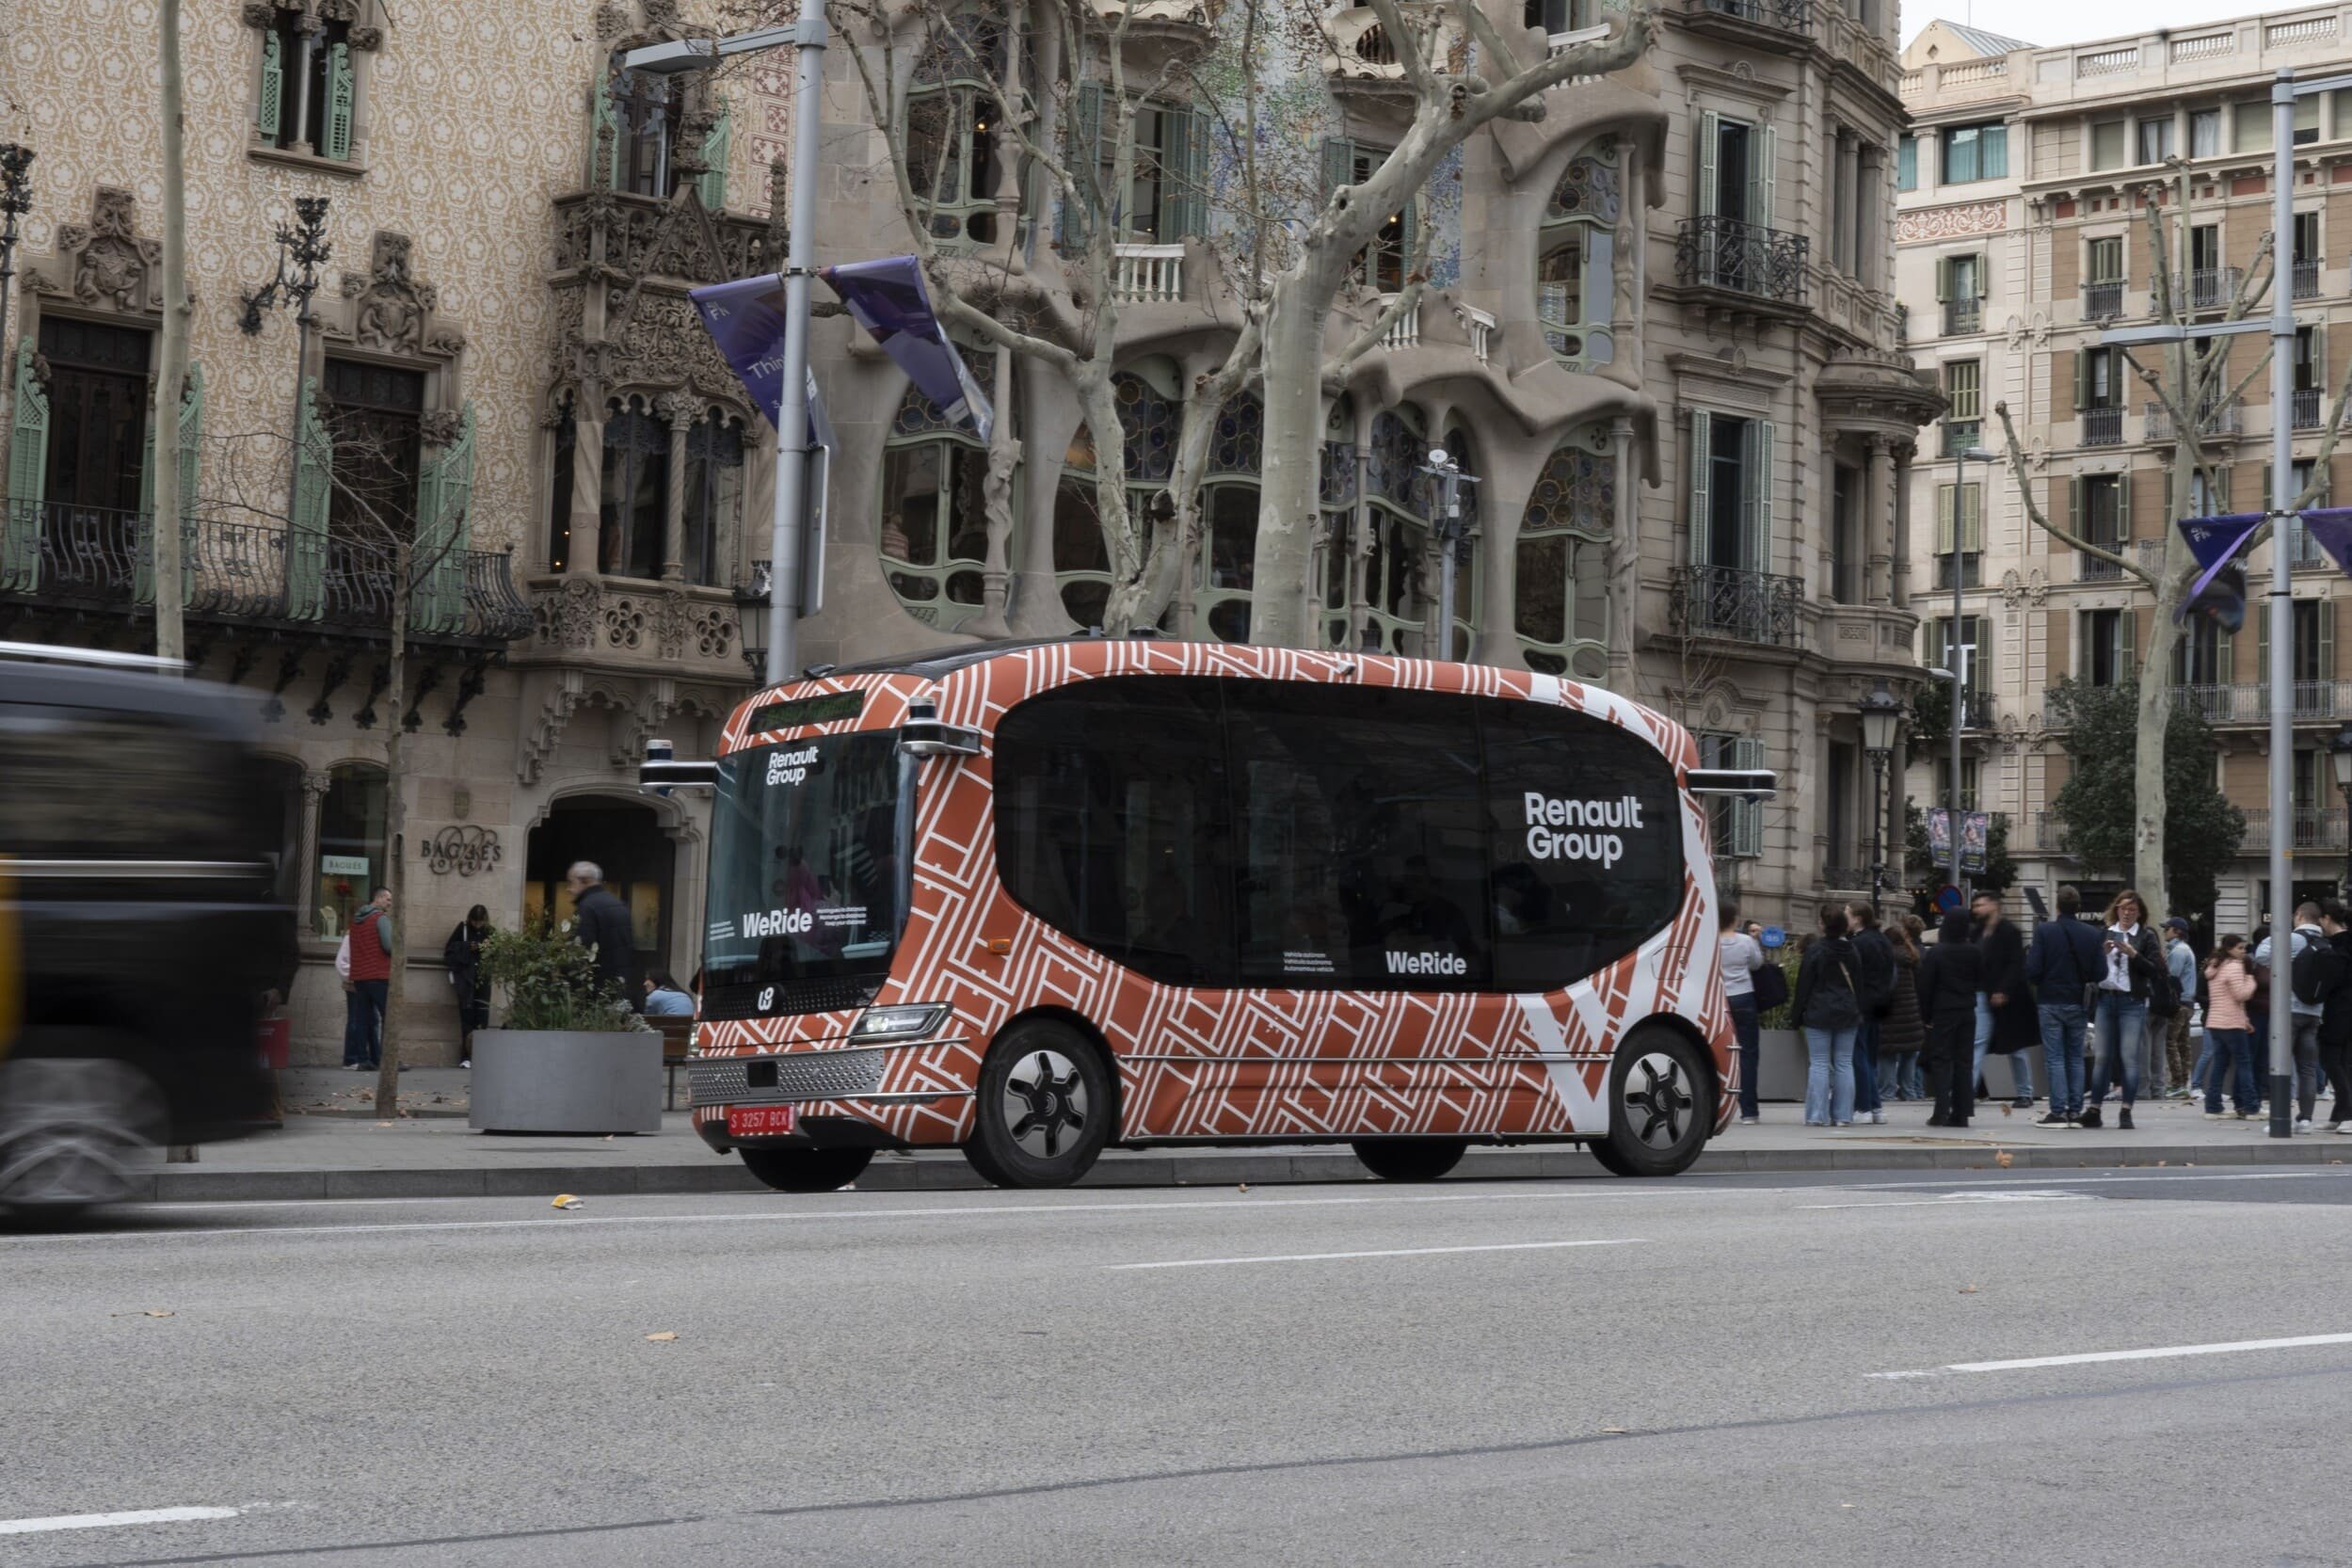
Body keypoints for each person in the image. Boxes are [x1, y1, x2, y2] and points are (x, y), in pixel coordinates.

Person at [2080, 888, 2163, 1130]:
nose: (2127, 913)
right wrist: (2101, 954)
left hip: (2132, 1002)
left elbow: (2155, 970)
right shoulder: (2104, 933)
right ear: (2116, 909)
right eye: (2123, 908)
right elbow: (2089, 970)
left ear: (2139, 913)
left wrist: (2134, 954)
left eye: (2132, 910)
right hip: (2106, 999)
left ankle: (2126, 1110)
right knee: (2102, 1058)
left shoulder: (2147, 936)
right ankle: (2094, 1109)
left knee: (2129, 1058)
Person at [2024, 884, 2104, 1128]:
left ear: (2057, 906)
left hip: (2050, 1000)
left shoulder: (2045, 932)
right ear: (2078, 908)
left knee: (2055, 1058)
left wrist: (2043, 981)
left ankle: (2057, 1111)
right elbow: (2101, 971)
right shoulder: (2092, 934)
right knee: (2076, 1058)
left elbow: (2033, 970)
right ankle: (2075, 1110)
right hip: (2078, 1002)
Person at [2253, 901, 2330, 1133]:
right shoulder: (2325, 944)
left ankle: (2280, 1116)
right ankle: (2305, 1119)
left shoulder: (2293, 940)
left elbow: (2261, 955)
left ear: (2298, 915)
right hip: (2314, 1012)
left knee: (2280, 1064)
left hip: (2288, 1010)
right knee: (2307, 1067)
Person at [1791, 904, 1864, 1128]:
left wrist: (1796, 1014)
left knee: (1819, 1064)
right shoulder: (1853, 950)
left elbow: (1804, 985)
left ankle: (1816, 1115)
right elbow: (1860, 984)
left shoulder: (1815, 950)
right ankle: (1843, 1116)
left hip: (1818, 1010)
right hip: (1847, 1011)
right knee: (1844, 1063)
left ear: (1823, 925)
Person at [1919, 913, 1986, 1128]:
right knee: (1964, 1062)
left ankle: (1941, 1111)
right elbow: (1980, 979)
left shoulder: (1937, 953)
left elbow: (1926, 987)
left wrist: (1926, 1016)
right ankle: (1962, 1112)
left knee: (1941, 1060)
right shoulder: (1974, 952)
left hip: (1943, 1010)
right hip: (1967, 1010)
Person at [1971, 891, 2038, 1109]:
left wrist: (2003, 990)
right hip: (1983, 993)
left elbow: (2016, 963)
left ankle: (2025, 1092)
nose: (1976, 909)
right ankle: (1967, 1091)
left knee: (2015, 1047)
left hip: (2009, 998)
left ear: (1994, 905)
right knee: (1978, 1043)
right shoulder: (1977, 932)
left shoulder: (2009, 931)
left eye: (1980, 905)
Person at [2202, 936, 2262, 1120]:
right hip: (2231, 1023)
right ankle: (2251, 1107)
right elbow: (2241, 995)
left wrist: (2244, 1020)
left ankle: (2213, 1107)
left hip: (2216, 1021)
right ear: (2229, 949)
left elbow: (2225, 998)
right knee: (2244, 1064)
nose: (2243, 952)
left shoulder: (2214, 966)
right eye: (2240, 948)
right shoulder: (2235, 966)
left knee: (2219, 1065)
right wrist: (2251, 979)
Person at [1846, 904, 1896, 1126]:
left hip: (1861, 1004)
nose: (1844, 918)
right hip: (1880, 1003)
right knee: (1871, 1057)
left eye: (1847, 914)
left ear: (1857, 919)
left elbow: (1854, 976)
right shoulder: (1883, 940)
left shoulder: (1857, 943)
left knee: (1859, 1056)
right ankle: (1876, 1107)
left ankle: (1863, 1106)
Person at [566, 861, 638, 1006]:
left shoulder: (587, 907)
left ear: (585, 881)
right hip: (619, 985)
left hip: (597, 988)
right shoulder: (619, 904)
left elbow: (581, 950)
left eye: (571, 882)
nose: (569, 889)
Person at [1720, 903, 1767, 1125]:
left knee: (1718, 1051)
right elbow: (1757, 964)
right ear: (1735, 920)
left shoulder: (1710, 942)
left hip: (1719, 998)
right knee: (1748, 1053)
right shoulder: (1746, 941)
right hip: (1744, 996)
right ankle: (1749, 1111)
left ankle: (1718, 1104)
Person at [344, 887, 392, 1072]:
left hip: (360, 977)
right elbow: (388, 946)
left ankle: (363, 1059)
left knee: (362, 1018)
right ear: (378, 899)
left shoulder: (355, 922)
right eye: (387, 899)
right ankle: (388, 1058)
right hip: (379, 975)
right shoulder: (381, 919)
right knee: (389, 1016)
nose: (389, 903)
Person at [1879, 915, 1926, 1104]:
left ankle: (1887, 1092)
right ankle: (1909, 1092)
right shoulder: (1911, 957)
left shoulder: (1888, 958)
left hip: (1892, 1014)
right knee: (1909, 1054)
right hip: (1912, 1013)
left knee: (1888, 1055)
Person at [443, 904, 490, 1064]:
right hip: (466, 979)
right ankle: (465, 1056)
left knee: (482, 1017)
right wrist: (467, 947)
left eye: (480, 922)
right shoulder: (462, 929)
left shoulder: (490, 931)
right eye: (475, 922)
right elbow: (449, 950)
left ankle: (479, 1055)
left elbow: (497, 952)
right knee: (467, 1017)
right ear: (470, 919)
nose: (477, 925)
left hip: (483, 978)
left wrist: (487, 947)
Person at [2321, 903, 2352, 1133]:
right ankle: (2340, 1113)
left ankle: (2347, 1112)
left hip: (2339, 1012)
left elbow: (2333, 981)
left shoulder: (2338, 947)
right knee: (2340, 1062)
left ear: (2327, 918)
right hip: (2342, 1011)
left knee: (2333, 1061)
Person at [1896, 913, 1930, 1098]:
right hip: (1919, 1005)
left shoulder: (1907, 953)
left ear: (1906, 931)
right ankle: (1915, 1090)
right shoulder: (1923, 951)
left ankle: (1910, 1090)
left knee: (1906, 1052)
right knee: (1915, 1051)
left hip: (1908, 1004)